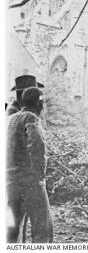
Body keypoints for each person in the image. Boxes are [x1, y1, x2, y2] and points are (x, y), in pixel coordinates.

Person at [7, 87, 53, 243]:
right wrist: (40, 177)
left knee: (11, 228)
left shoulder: (10, 119)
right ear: (38, 103)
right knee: (42, 228)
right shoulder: (31, 118)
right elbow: (37, 148)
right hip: (31, 183)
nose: (43, 106)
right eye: (43, 102)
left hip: (10, 183)